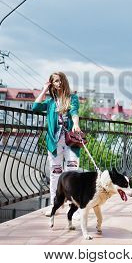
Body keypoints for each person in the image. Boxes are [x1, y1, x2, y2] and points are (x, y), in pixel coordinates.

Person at [32, 72, 81, 217]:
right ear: (52, 84)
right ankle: (56, 205)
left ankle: (74, 206)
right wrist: (44, 90)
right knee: (55, 174)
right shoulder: (50, 102)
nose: (58, 83)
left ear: (64, 82)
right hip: (54, 142)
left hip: (70, 141)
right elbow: (35, 107)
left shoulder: (72, 98)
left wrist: (76, 125)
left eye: (60, 81)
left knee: (72, 173)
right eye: (55, 81)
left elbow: (74, 112)